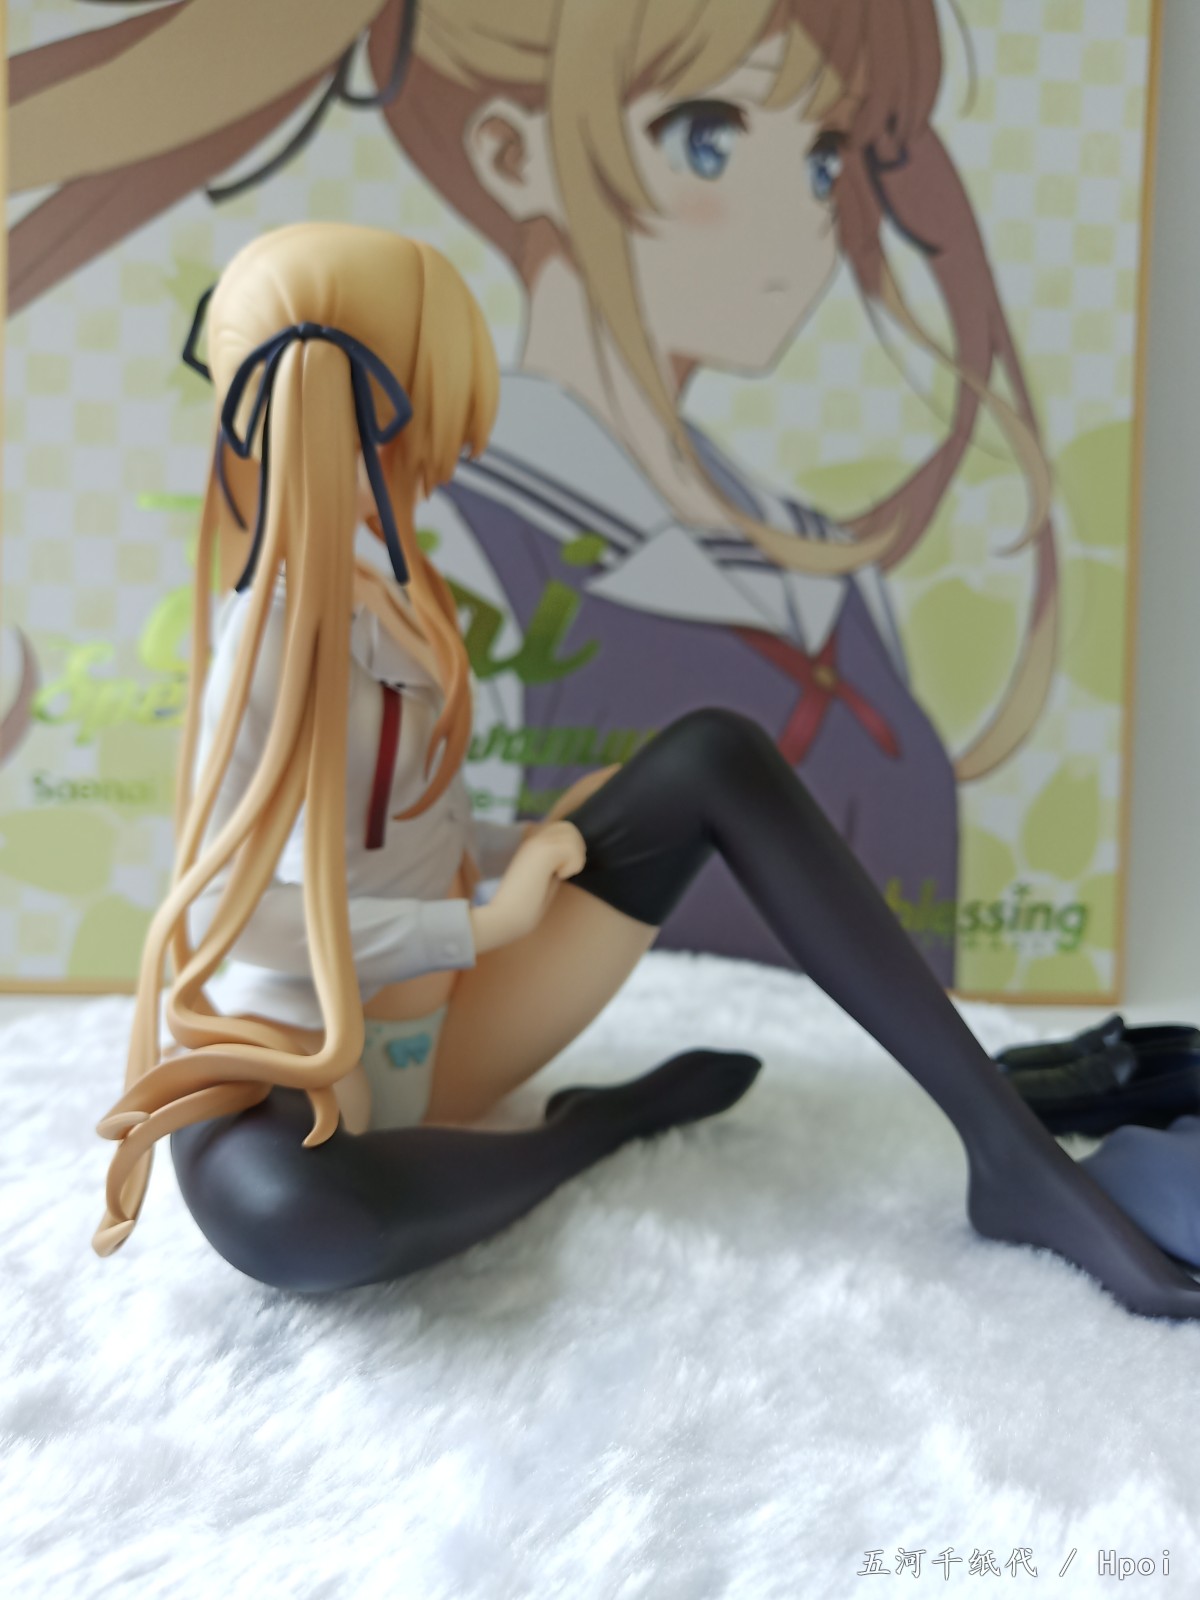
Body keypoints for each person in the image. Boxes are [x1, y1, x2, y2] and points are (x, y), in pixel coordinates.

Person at [94, 223, 1200, 1323]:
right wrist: (478, 925)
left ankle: (1010, 1154)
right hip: (306, 1057)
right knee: (294, 1219)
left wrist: (520, 847)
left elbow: (406, 828)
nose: (457, 451)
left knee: (712, 755)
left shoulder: (398, 593)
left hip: (447, 1036)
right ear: (369, 408)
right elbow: (244, 921)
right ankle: (587, 1131)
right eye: (438, 408)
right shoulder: (269, 637)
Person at [8, 0, 1061, 985]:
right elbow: (365, 880)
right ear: (514, 157)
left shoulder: (823, 562)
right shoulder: (432, 549)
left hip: (848, 1095)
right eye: (709, 139)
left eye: (824, 160)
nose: (802, 222)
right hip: (511, 1049)